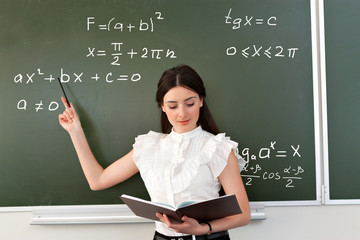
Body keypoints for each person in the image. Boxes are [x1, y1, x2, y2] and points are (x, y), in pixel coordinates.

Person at [58, 64, 251, 240]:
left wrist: (202, 229)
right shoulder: (149, 146)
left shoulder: (218, 147)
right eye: (173, 106)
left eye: (190, 103)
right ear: (162, 107)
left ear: (201, 101)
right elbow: (97, 181)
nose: (182, 113)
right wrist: (75, 131)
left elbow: (243, 214)